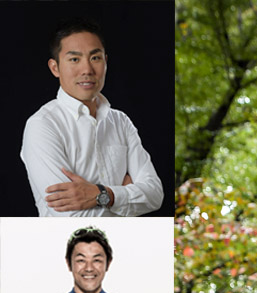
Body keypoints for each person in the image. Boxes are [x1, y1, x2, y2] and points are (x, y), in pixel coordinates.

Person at [20, 19, 164, 217]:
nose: (87, 70)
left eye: (95, 58)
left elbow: (155, 195)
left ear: (106, 61)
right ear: (55, 67)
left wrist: (103, 195)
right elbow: (70, 217)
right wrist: (125, 194)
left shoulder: (120, 122)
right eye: (74, 59)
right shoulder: (43, 125)